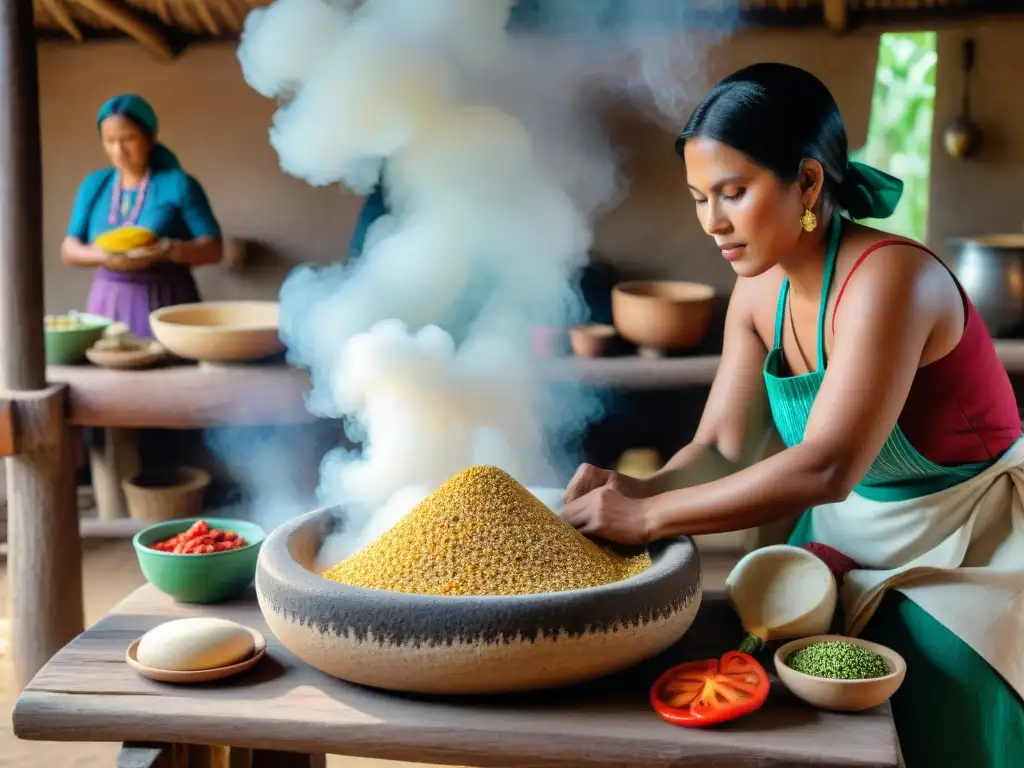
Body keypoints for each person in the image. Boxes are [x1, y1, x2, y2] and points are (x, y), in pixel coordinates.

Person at [562, 63, 1024, 767]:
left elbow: (830, 465)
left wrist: (652, 520)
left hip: (967, 546)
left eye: (733, 193)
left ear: (807, 183)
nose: (711, 222)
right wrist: (639, 491)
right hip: (850, 533)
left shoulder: (892, 280)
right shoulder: (757, 292)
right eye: (698, 198)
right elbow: (720, 444)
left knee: (935, 672)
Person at [61, 94, 223, 338]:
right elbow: (69, 249)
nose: (119, 150)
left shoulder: (178, 184)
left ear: (150, 137)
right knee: (110, 364)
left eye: (128, 139)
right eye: (110, 141)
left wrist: (168, 250)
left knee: (170, 370)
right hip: (107, 302)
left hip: (167, 301)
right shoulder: (95, 185)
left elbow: (214, 249)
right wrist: (103, 255)